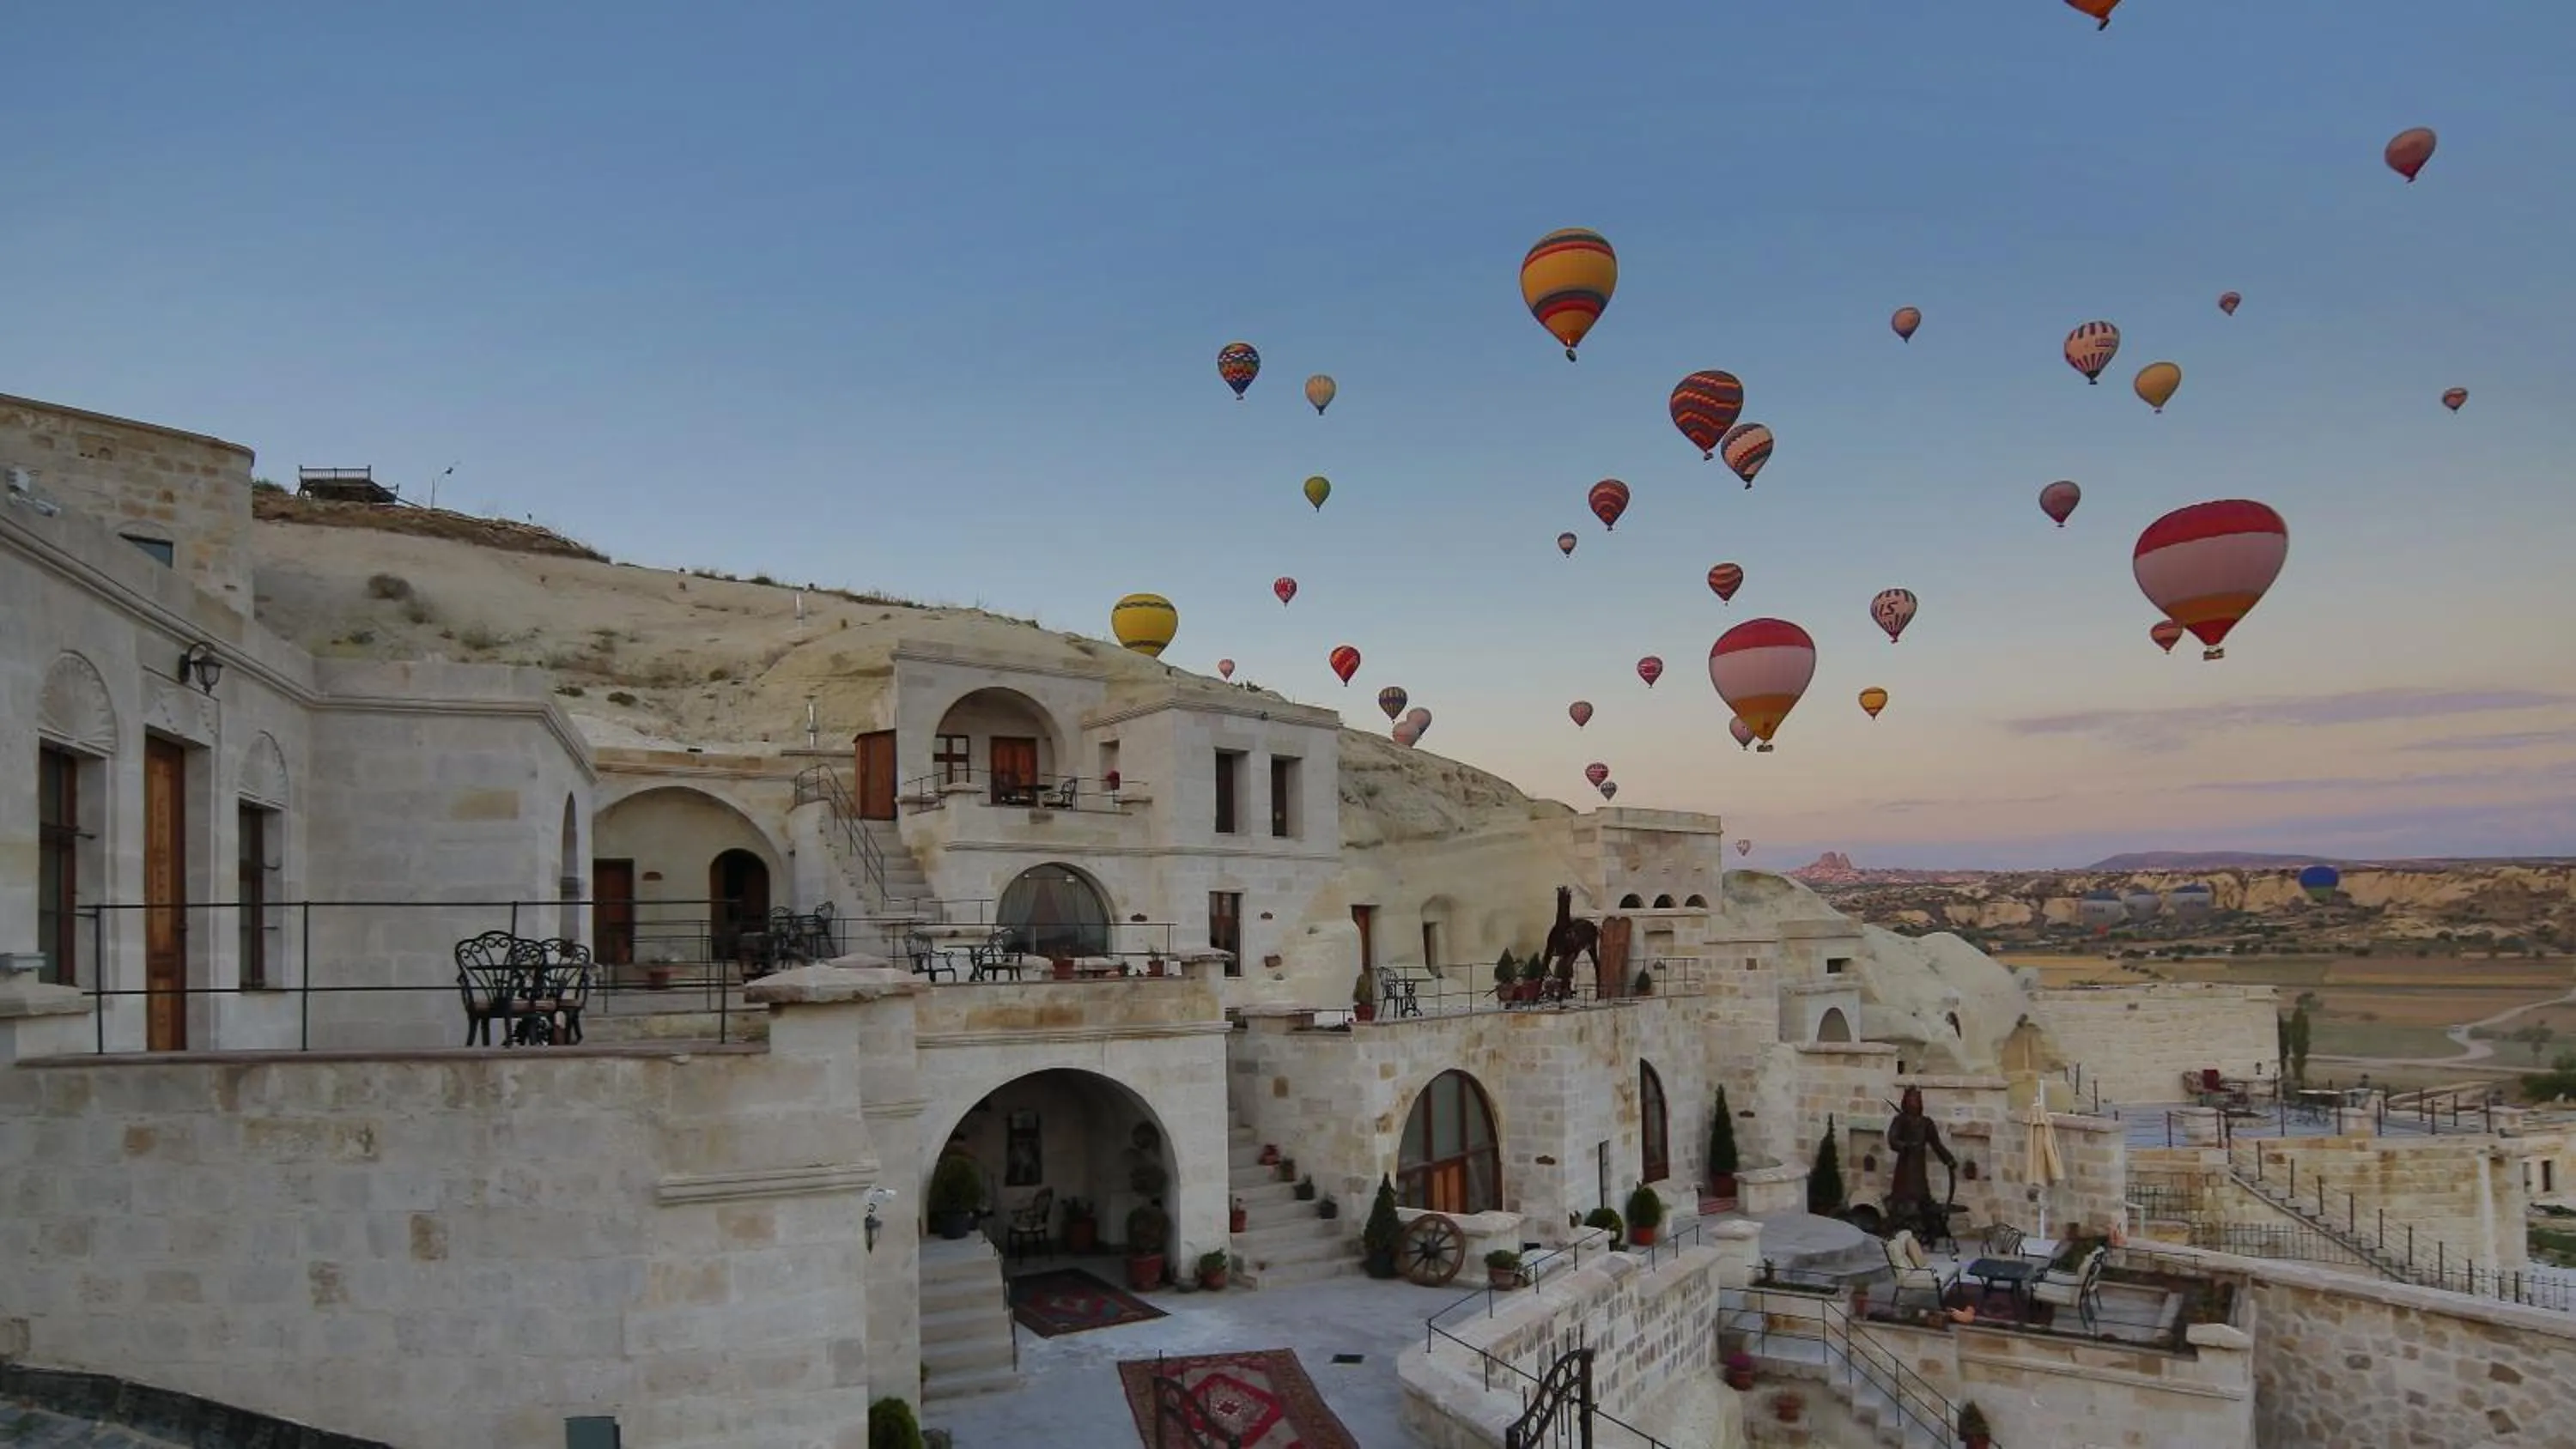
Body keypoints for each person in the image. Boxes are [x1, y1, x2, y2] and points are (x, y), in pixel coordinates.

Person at [1886, 1085, 1958, 1246]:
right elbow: (1892, 1140)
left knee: (1922, 1198)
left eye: (1918, 1100)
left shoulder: (1926, 1123)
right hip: (1905, 1167)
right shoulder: (1900, 1120)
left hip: (1918, 1169)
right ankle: (1900, 1231)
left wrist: (1949, 1160)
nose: (1915, 1103)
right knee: (1903, 1200)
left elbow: (1936, 1145)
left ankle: (1924, 1232)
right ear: (1906, 1101)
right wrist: (1905, 1145)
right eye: (1912, 1099)